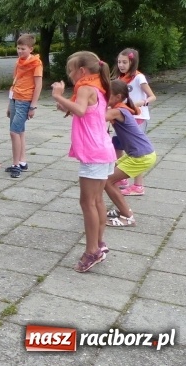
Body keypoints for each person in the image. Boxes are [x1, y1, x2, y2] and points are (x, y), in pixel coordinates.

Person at [51, 51, 116, 273]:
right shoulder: (98, 86)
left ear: (81, 71)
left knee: (87, 203)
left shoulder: (85, 87)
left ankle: (92, 251)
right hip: (103, 149)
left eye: (70, 70)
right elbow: (80, 111)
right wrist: (62, 102)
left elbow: (78, 109)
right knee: (97, 200)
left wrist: (58, 95)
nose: (69, 75)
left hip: (93, 153)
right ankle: (99, 243)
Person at [104, 79, 157, 227]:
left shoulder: (118, 110)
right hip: (140, 154)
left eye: (107, 95)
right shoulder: (120, 108)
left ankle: (127, 216)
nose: (104, 98)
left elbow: (96, 118)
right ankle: (123, 210)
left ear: (118, 97)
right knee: (106, 177)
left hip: (141, 156)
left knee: (108, 180)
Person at [112, 48, 156, 196]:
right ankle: (122, 177)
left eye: (125, 62)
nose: (121, 65)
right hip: (124, 115)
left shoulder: (139, 78)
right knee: (117, 144)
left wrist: (141, 103)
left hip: (137, 117)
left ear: (132, 62)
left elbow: (152, 96)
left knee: (137, 151)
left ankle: (138, 186)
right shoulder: (120, 78)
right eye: (119, 62)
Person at [5, 34, 43, 178]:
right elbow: (14, 81)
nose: (20, 51)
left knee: (14, 132)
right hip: (15, 98)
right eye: (18, 48)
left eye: (23, 49)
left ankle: (15, 165)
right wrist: (9, 104)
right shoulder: (18, 62)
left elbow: (38, 85)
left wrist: (33, 106)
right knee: (19, 131)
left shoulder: (36, 64)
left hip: (25, 101)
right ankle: (22, 162)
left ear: (31, 49)